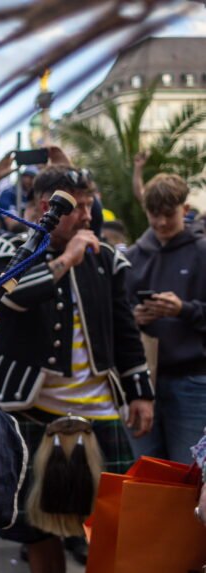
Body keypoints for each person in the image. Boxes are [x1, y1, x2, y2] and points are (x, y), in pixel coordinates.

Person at [0, 165, 154, 573]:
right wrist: (66, 260)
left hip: (99, 410)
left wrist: (141, 393)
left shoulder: (106, 259)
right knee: (37, 531)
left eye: (90, 206)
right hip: (29, 407)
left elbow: (125, 328)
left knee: (114, 524)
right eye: (78, 208)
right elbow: (6, 297)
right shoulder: (10, 248)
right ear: (48, 207)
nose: (88, 217)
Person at [124, 173, 206, 463]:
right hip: (141, 382)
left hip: (193, 380)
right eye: (153, 214)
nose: (160, 223)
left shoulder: (201, 251)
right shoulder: (133, 256)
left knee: (188, 475)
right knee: (146, 476)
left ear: (184, 209)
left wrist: (182, 309)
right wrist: (136, 316)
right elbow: (119, 317)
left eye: (168, 215)